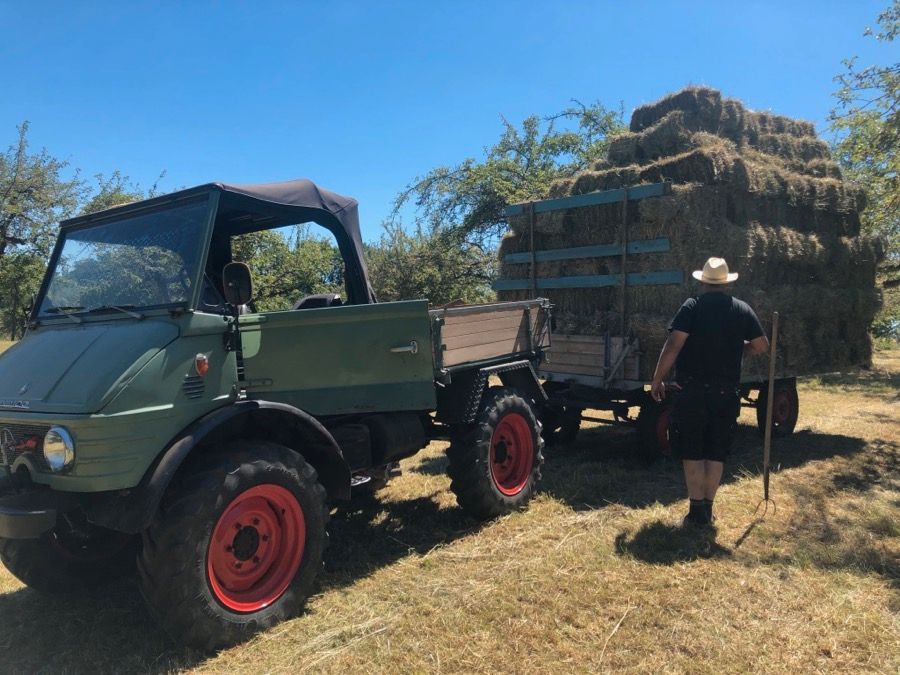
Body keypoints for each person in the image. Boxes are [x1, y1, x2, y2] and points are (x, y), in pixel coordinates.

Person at [650, 257, 769, 527]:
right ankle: (708, 509)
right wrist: (740, 349)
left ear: (703, 281)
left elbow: (673, 345)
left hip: (691, 392)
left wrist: (657, 379)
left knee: (692, 450)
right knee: (716, 451)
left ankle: (696, 511)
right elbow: (762, 345)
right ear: (726, 283)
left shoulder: (692, 306)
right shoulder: (742, 309)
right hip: (726, 394)